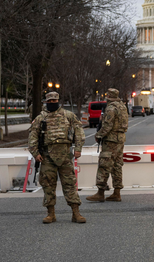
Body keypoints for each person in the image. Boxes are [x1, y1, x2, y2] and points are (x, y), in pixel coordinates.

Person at [28, 92, 86, 223]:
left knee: (70, 184)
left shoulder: (69, 115)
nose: (52, 103)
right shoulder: (41, 118)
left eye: (55, 101)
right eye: (50, 101)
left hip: (65, 155)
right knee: (48, 185)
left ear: (58, 101)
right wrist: (35, 153)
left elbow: (79, 132)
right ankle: (51, 214)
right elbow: (33, 136)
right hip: (47, 156)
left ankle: (76, 213)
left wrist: (78, 148)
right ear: (46, 102)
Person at [87, 88, 129, 202]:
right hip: (120, 139)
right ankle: (117, 192)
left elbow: (107, 126)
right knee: (117, 165)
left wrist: (99, 135)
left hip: (110, 140)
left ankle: (100, 192)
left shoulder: (111, 108)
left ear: (109, 97)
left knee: (104, 165)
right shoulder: (122, 107)